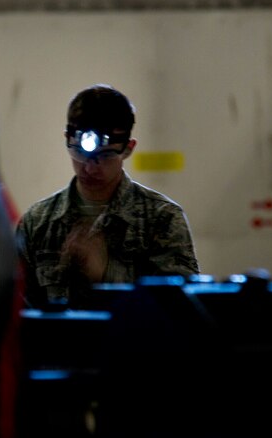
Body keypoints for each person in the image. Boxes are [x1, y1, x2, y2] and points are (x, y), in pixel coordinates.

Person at [14, 83, 199, 310]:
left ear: (128, 148)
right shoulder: (38, 223)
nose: (90, 169)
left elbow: (180, 316)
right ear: (66, 139)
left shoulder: (162, 220)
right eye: (79, 154)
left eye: (106, 155)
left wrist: (104, 275)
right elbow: (18, 317)